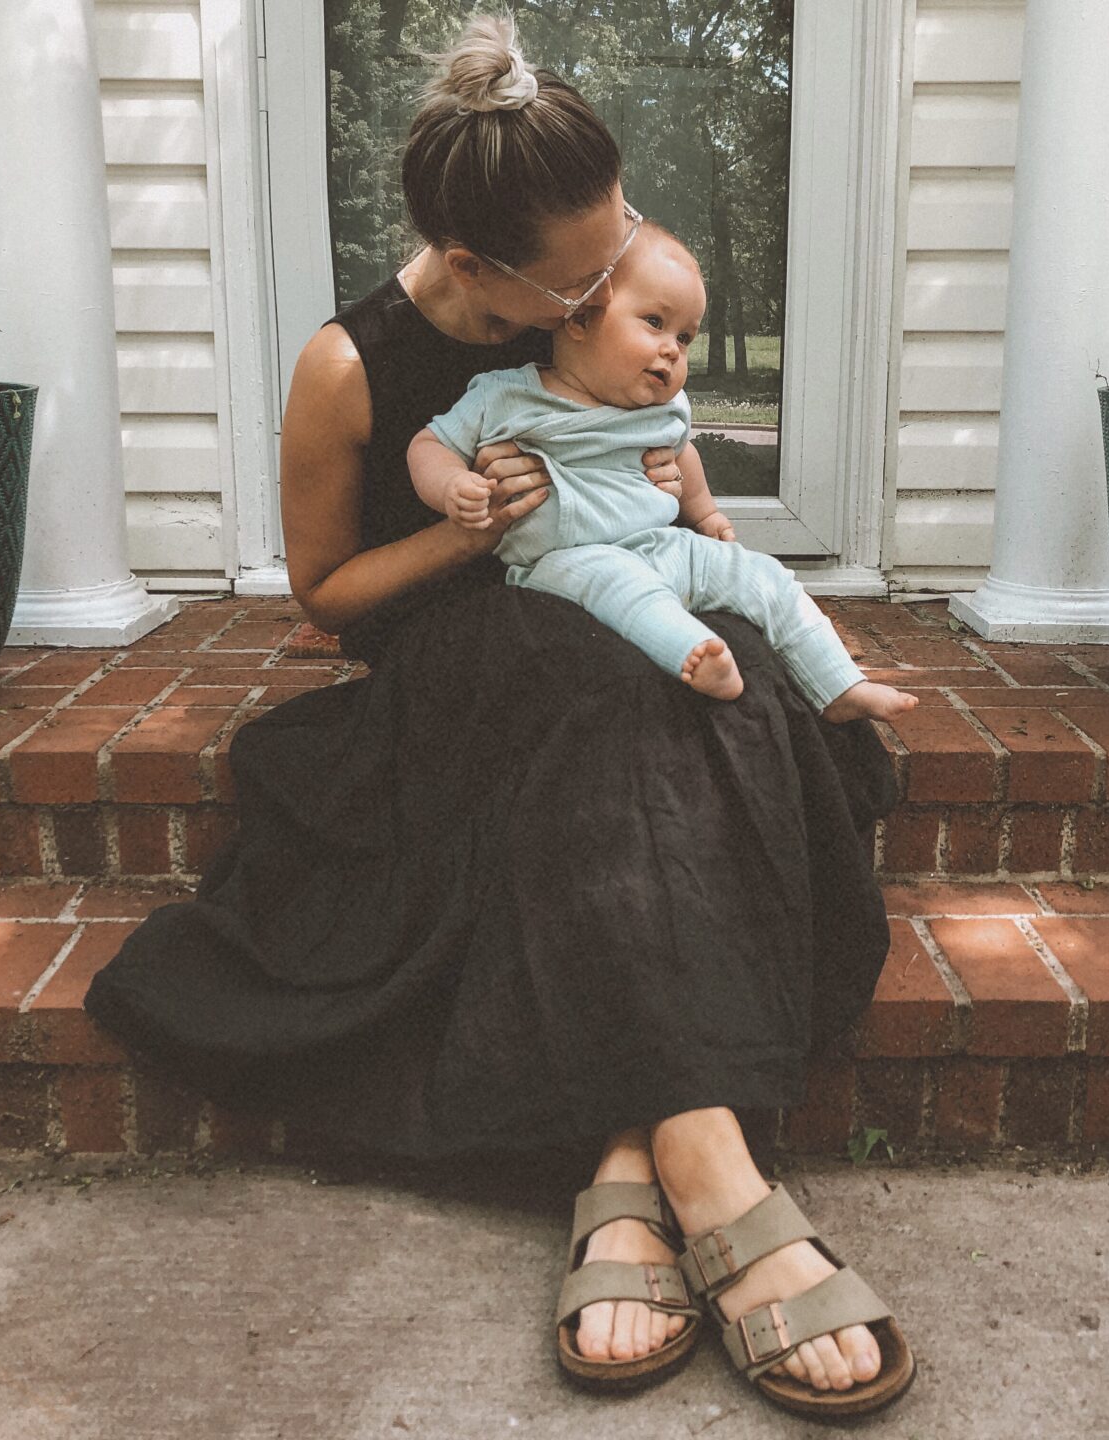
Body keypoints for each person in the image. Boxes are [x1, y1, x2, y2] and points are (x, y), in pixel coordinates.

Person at [82, 13, 914, 1420]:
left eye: (622, 242)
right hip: (454, 661)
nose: (608, 294)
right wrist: (473, 534)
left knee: (711, 675)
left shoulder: (600, 312)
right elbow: (327, 597)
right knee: (609, 686)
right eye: (582, 277)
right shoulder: (352, 366)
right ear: (477, 268)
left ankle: (626, 1169)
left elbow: (672, 487)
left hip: (606, 632)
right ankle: (715, 1163)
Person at [408, 222, 921, 719]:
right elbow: (430, 444)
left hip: (662, 545)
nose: (673, 348)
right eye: (654, 322)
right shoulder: (508, 394)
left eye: (687, 336)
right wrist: (453, 485)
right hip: (568, 560)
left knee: (765, 576)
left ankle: (838, 685)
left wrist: (706, 515)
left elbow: (683, 456)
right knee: (625, 586)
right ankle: (695, 652)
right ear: (581, 319)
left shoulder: (664, 411)